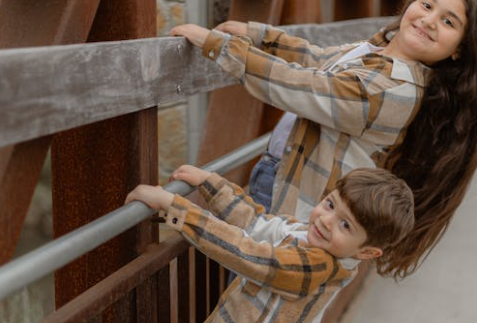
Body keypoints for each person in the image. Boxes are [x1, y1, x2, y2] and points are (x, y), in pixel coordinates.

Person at [170, 0, 477, 278]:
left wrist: (219, 46)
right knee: (247, 287)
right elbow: (317, 58)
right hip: (280, 176)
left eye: (449, 22)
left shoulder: (397, 89)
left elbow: (305, 86)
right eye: (426, 5)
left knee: (257, 297)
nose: (429, 20)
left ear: (458, 49)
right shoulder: (378, 51)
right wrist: (261, 36)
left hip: (305, 208)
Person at [125, 165, 414, 323]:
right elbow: (255, 222)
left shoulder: (317, 267)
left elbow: (248, 255)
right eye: (330, 204)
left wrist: (175, 208)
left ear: (365, 252)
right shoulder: (304, 232)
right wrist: (211, 184)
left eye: (346, 224)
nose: (326, 220)